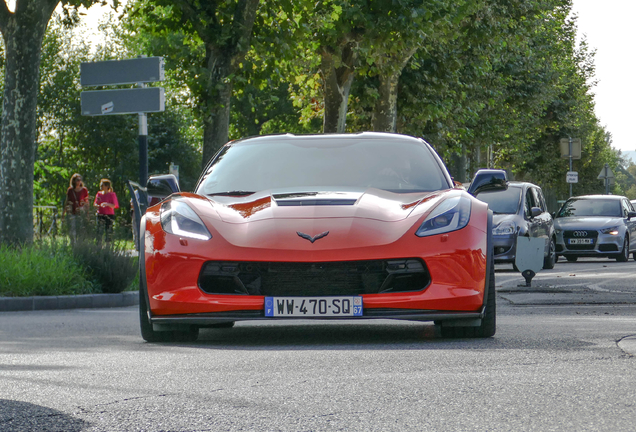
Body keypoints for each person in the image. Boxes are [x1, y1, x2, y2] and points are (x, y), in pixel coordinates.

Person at [63, 173, 89, 241]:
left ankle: (79, 244)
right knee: (72, 230)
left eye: (80, 180)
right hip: (72, 212)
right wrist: (64, 213)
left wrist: (87, 213)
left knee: (80, 230)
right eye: (77, 180)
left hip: (80, 212)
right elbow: (67, 201)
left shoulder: (84, 190)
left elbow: (87, 202)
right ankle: (73, 244)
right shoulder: (70, 190)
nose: (79, 181)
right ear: (73, 181)